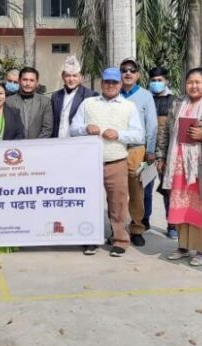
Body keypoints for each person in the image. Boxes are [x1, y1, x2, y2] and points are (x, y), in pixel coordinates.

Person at [157, 68, 202, 267]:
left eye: (198, 82)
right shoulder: (177, 103)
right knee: (181, 206)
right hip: (178, 165)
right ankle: (182, 246)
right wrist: (161, 156)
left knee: (201, 209)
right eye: (190, 82)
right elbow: (165, 132)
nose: (193, 86)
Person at [71, 68, 144, 257]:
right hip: (90, 162)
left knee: (118, 203)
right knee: (90, 202)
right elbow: (73, 127)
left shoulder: (129, 106)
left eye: (114, 82)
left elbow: (138, 134)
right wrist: (85, 128)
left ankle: (120, 239)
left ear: (121, 84)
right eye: (107, 82)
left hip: (116, 161)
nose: (110, 86)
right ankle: (90, 238)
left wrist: (119, 134)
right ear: (101, 83)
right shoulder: (88, 103)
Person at [119, 58, 158, 247]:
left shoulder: (145, 96)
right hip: (116, 149)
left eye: (132, 70)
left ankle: (136, 228)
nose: (128, 73)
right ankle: (117, 229)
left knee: (137, 193)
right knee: (117, 193)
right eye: (124, 70)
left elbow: (152, 125)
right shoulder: (113, 94)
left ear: (138, 75)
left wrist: (150, 151)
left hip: (136, 150)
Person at [146, 66, 177, 239]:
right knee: (145, 189)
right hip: (147, 152)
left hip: (166, 153)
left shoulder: (174, 100)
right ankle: (144, 222)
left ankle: (172, 224)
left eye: (160, 80)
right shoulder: (146, 99)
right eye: (153, 80)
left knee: (168, 189)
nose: (156, 83)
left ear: (166, 81)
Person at [50, 56, 98, 139]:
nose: (71, 79)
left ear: (81, 77)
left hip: (79, 144)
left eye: (75, 76)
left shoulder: (91, 95)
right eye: (68, 76)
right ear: (63, 77)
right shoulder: (56, 96)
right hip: (57, 142)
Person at [6, 67, 53, 139]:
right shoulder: (8, 101)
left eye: (32, 80)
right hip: (15, 147)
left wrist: (34, 146)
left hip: (38, 147)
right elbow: (7, 128)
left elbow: (47, 129)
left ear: (37, 83)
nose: (28, 83)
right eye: (25, 80)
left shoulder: (45, 102)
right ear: (19, 81)